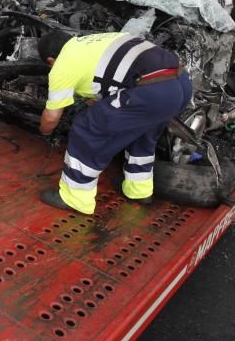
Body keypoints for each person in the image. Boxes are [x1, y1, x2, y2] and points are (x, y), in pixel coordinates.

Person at [37, 31, 192, 215]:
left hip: (152, 89)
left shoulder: (62, 64)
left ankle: (75, 197)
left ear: (50, 60)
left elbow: (51, 117)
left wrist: (45, 133)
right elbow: (107, 84)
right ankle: (138, 190)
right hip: (181, 82)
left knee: (86, 127)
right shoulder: (90, 41)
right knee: (143, 133)